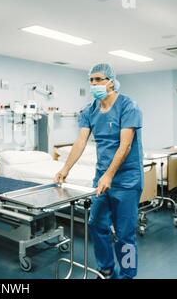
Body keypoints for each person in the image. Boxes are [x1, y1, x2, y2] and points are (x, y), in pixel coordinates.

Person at [54, 63, 143, 279]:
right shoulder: (90, 110)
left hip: (127, 181)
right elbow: (81, 141)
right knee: (96, 224)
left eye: (98, 79)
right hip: (101, 177)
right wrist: (65, 168)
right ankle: (106, 268)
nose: (94, 84)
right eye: (91, 80)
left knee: (125, 234)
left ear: (111, 81)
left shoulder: (128, 106)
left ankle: (127, 274)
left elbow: (126, 146)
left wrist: (110, 175)